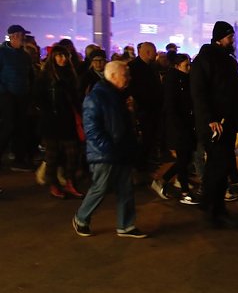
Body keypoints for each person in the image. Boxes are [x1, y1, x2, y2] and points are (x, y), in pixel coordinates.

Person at [72, 61, 147, 238]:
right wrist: (108, 148)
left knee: (125, 188)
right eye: (125, 75)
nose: (128, 78)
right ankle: (81, 218)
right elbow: (92, 129)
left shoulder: (117, 95)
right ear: (113, 76)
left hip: (120, 150)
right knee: (101, 187)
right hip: (105, 153)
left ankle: (126, 225)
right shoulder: (97, 97)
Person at [190, 21, 238, 227]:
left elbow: (233, 93)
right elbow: (199, 93)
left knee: (220, 166)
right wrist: (210, 119)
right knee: (218, 166)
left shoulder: (229, 61)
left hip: (227, 123)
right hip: (214, 126)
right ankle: (215, 210)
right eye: (229, 37)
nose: (232, 41)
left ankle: (211, 204)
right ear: (219, 38)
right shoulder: (204, 60)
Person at [34, 45, 84, 199]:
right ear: (53, 57)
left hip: (68, 121)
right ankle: (54, 184)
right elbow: (38, 98)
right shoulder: (45, 77)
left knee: (72, 154)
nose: (63, 59)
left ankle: (70, 182)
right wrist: (48, 112)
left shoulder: (71, 75)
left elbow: (76, 99)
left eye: (65, 56)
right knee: (52, 156)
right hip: (52, 122)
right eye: (59, 56)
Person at [151, 54, 198, 204]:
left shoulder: (184, 79)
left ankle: (163, 181)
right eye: (186, 65)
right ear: (177, 66)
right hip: (178, 127)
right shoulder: (173, 81)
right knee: (183, 159)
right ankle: (184, 192)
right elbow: (172, 107)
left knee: (186, 158)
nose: (189, 68)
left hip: (185, 125)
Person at [0, 24, 35, 171]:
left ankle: (19, 160)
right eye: (22, 35)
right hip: (7, 96)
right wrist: (4, 92)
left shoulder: (25, 55)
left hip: (23, 96)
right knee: (8, 127)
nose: (24, 38)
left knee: (22, 128)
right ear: (13, 36)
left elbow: (30, 75)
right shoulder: (2, 53)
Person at [127, 41, 163, 172]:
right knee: (144, 140)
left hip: (152, 110)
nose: (156, 54)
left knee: (150, 139)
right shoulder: (133, 67)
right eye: (154, 52)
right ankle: (140, 166)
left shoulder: (151, 66)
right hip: (142, 111)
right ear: (148, 53)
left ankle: (145, 163)